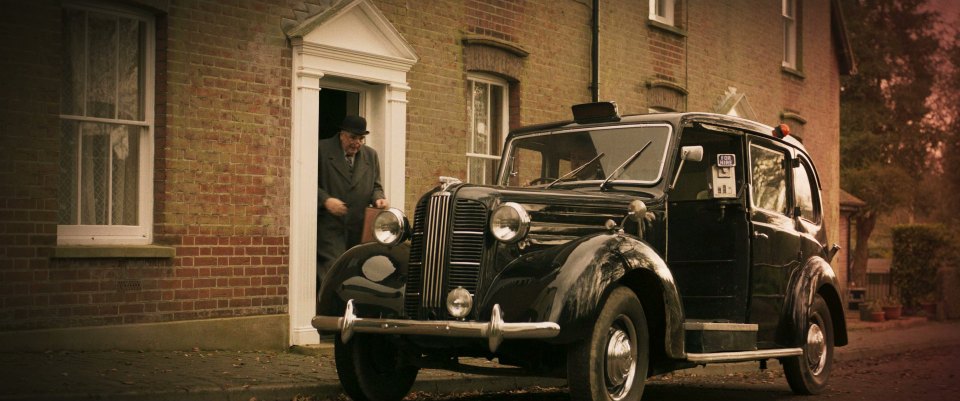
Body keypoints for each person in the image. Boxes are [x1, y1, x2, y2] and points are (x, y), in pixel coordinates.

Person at [317, 115, 388, 290]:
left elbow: (376, 186)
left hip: (359, 227)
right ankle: (329, 313)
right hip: (330, 227)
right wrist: (326, 200)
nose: (357, 143)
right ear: (342, 134)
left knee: (356, 273)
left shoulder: (371, 155)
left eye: (361, 138)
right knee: (333, 271)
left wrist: (378, 198)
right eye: (353, 137)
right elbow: (307, 183)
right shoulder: (321, 149)